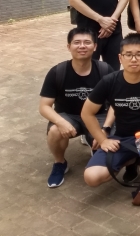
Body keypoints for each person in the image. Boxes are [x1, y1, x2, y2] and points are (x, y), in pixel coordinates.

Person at [81, 33, 140, 201]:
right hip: (123, 138)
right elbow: (86, 113)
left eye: (139, 54)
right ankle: (131, 160)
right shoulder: (109, 81)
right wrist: (103, 139)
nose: (134, 59)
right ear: (120, 57)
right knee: (92, 177)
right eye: (128, 54)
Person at [39, 28, 115, 188]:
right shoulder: (57, 72)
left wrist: (106, 129)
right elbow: (44, 106)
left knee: (108, 145)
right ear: (69, 47)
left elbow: (115, 104)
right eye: (77, 42)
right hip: (68, 116)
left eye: (87, 42)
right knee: (55, 131)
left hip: (97, 116)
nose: (82, 46)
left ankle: (94, 144)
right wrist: (60, 122)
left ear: (95, 46)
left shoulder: (105, 70)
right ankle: (60, 163)